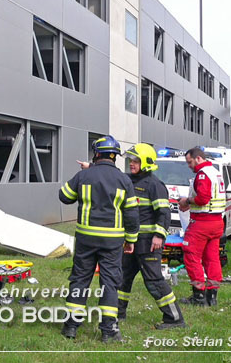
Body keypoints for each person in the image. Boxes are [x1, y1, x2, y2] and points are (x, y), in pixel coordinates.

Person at [59, 135, 139, 343]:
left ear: (96, 154)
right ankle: (109, 330)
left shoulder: (84, 176)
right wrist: (130, 239)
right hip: (112, 241)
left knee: (80, 279)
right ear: (115, 156)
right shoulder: (124, 180)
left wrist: (83, 175)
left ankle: (71, 326)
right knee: (110, 282)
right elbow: (131, 214)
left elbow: (64, 196)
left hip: (86, 238)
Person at [117, 144, 186, 329]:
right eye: (131, 160)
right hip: (131, 241)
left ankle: (175, 318)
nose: (131, 164)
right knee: (122, 277)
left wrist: (158, 236)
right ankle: (118, 313)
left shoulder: (155, 185)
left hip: (149, 243)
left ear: (145, 162)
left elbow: (164, 213)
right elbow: (111, 176)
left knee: (154, 281)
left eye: (136, 161)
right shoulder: (129, 180)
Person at [178, 147, 225, 306]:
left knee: (190, 253)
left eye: (189, 162)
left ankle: (199, 296)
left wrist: (187, 201)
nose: (189, 166)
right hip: (217, 222)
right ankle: (212, 297)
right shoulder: (215, 172)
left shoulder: (203, 174)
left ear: (198, 159)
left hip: (202, 223)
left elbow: (203, 198)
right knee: (212, 258)